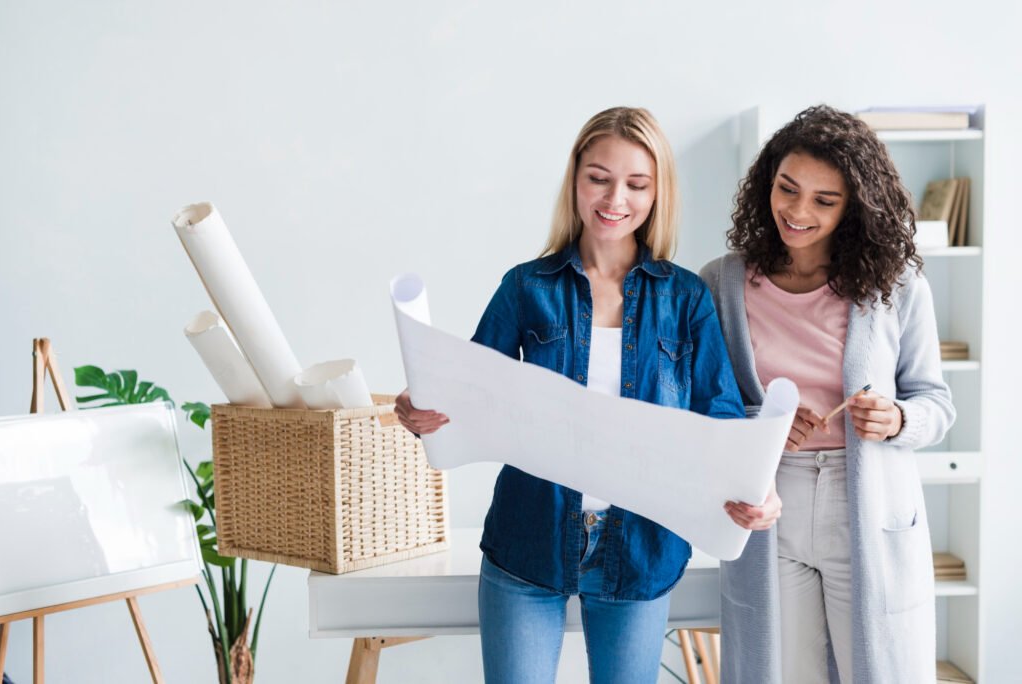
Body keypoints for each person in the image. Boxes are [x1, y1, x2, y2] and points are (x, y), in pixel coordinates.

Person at [395, 106, 745, 683]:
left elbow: (723, 417)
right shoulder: (526, 287)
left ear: (658, 193)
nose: (615, 198)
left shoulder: (686, 299)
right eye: (599, 177)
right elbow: (468, 392)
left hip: (640, 549)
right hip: (528, 539)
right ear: (576, 179)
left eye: (637, 183)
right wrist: (423, 406)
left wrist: (751, 489)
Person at [701, 104, 956, 683]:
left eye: (824, 200)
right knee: (785, 671)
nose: (796, 211)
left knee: (880, 669)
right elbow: (699, 401)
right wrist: (756, 423)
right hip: (771, 504)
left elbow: (936, 403)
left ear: (854, 208)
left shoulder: (897, 285)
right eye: (787, 189)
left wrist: (895, 419)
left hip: (867, 501)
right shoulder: (721, 281)